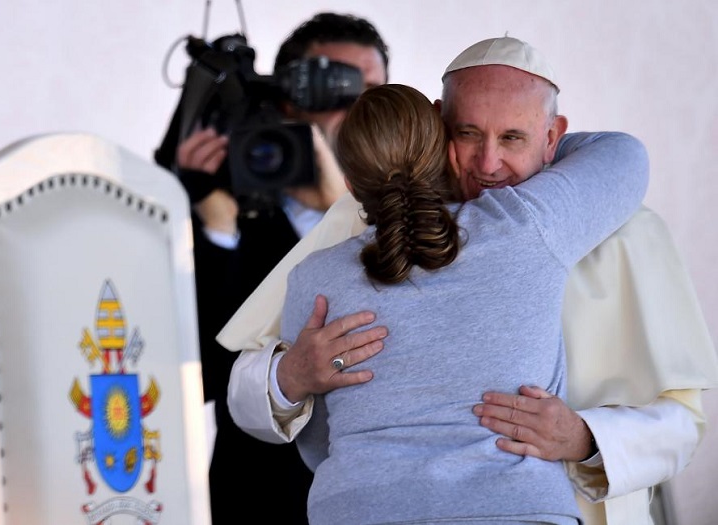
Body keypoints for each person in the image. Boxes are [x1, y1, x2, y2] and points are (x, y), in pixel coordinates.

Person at [219, 37, 718, 524]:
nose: (488, 163)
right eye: (468, 133)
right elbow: (245, 390)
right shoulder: (357, 219)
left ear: (553, 137)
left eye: (514, 137)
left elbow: (682, 423)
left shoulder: (625, 231)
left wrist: (585, 437)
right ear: (438, 128)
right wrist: (289, 376)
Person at [283, 81, 647, 524]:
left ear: (350, 184)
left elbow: (317, 442)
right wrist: (535, 138)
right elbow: (625, 157)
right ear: (449, 156)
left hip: (359, 508)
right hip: (516, 509)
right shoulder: (524, 226)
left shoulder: (313, 278)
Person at [154, 12, 390, 525]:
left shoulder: (421, 216)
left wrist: (340, 213)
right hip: (260, 496)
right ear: (287, 99)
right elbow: (195, 378)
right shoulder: (222, 212)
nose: (357, 112)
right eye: (335, 92)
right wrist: (210, 224)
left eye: (373, 93)